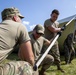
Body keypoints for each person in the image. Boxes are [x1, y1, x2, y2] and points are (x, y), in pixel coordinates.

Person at [0, 7, 35, 75]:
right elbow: (30, 58)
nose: (21, 20)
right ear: (15, 17)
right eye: (20, 18)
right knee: (27, 66)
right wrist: (33, 70)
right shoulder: (20, 26)